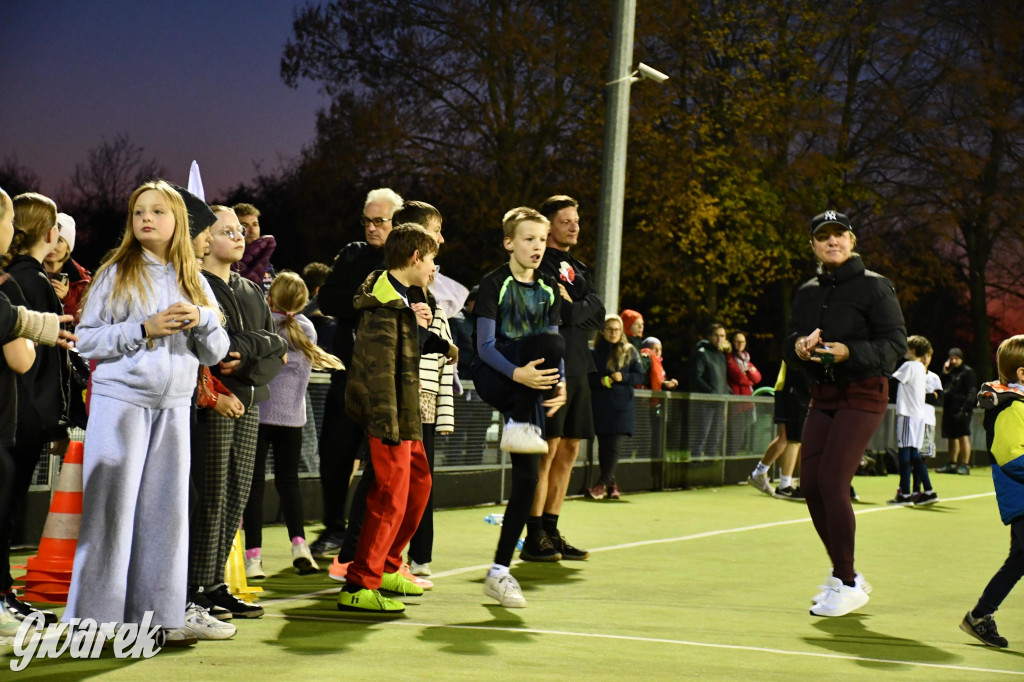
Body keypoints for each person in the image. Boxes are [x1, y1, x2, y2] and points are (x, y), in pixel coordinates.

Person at [63, 180, 229, 645]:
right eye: (139, 212)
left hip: (174, 410)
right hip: (121, 405)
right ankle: (92, 623)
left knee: (166, 517)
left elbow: (217, 353)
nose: (146, 219)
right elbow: (87, 340)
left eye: (157, 211)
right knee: (109, 514)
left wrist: (204, 320)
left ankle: (157, 616)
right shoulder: (117, 272)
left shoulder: (195, 279)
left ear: (178, 220)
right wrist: (143, 328)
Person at [784, 210, 906, 617]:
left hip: (864, 391)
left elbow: (895, 347)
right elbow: (790, 341)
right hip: (823, 394)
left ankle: (849, 580)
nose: (832, 242)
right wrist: (799, 347)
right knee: (810, 484)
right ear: (813, 245)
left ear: (852, 241)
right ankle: (842, 575)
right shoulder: (806, 292)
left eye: (839, 235)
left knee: (834, 481)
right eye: (823, 237)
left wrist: (851, 351)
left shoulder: (876, 287)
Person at [337, 224, 456, 613]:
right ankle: (360, 583)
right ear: (416, 257)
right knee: (388, 496)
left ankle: (387, 564)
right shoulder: (384, 303)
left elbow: (407, 347)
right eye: (433, 258)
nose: (435, 268)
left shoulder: (405, 298)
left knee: (418, 486)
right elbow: (377, 370)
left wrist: (437, 341)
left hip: (407, 415)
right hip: (390, 416)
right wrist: (386, 423)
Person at [189, 206, 287, 619]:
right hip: (215, 402)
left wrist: (246, 350)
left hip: (248, 399)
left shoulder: (250, 290)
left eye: (241, 230)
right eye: (228, 230)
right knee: (212, 493)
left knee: (238, 493)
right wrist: (254, 347)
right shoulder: (197, 286)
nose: (240, 236)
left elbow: (277, 348)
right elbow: (213, 352)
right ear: (206, 240)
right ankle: (195, 585)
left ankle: (214, 583)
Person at [471, 207, 565, 607]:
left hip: (527, 392)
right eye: (529, 239)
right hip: (497, 375)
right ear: (509, 242)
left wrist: (557, 386)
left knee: (528, 481)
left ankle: (499, 572)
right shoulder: (495, 284)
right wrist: (519, 376)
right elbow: (485, 347)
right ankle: (520, 421)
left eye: (542, 240)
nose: (537, 247)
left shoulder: (548, 288)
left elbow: (554, 345)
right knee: (547, 347)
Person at [0, 187, 77, 629]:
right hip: (19, 417)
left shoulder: (17, 279)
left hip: (17, 414)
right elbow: (31, 361)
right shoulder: (26, 283)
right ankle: (4, 595)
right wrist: (55, 419)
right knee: (5, 506)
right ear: (50, 233)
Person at [311, 188, 402, 559]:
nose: (371, 227)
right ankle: (334, 527)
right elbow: (329, 301)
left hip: (390, 380)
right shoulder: (351, 254)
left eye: (379, 220)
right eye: (367, 220)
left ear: (398, 223)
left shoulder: (408, 258)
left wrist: (360, 302)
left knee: (382, 464)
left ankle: (374, 536)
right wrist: (371, 301)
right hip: (347, 373)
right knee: (334, 452)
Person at [243, 272, 343, 579]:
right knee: (290, 485)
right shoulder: (307, 329)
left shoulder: (261, 325)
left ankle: (253, 558)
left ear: (270, 297)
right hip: (292, 418)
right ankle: (299, 545)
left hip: (259, 415)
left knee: (255, 486)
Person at [528, 194, 604, 563]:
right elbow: (551, 308)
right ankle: (534, 533)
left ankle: (553, 528)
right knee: (548, 450)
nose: (574, 226)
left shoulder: (581, 268)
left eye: (576, 220)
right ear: (549, 225)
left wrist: (573, 307)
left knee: (571, 448)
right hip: (551, 366)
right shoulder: (538, 264)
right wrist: (578, 308)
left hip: (580, 365)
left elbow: (599, 311)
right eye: (566, 221)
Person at [961, 336, 1024, 648]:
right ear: (1022, 374)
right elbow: (1012, 458)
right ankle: (981, 615)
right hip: (1021, 496)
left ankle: (980, 616)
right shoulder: (1012, 406)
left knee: (1020, 559)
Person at [587, 315, 644, 499]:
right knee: (604, 447)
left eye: (617, 329)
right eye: (610, 329)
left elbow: (640, 376)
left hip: (622, 407)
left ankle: (600, 484)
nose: (613, 333)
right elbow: (587, 378)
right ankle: (612, 485)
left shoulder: (629, 351)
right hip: (601, 405)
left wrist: (624, 378)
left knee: (614, 446)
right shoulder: (594, 353)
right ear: (602, 331)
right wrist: (601, 381)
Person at [887, 335, 939, 506]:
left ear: (913, 351)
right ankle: (929, 491)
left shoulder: (909, 365)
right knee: (915, 455)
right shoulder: (920, 368)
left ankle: (905, 494)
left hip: (907, 414)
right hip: (918, 416)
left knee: (904, 453)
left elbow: (891, 380)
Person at [748, 361, 808, 501]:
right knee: (791, 439)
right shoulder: (798, 340)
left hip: (795, 389)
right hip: (791, 389)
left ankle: (764, 475)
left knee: (791, 439)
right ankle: (782, 483)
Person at [42, 212, 92, 326]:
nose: (52, 245)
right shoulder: (29, 271)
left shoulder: (83, 281)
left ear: (68, 248)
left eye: (59, 240)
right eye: (48, 238)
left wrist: (67, 299)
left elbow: (86, 324)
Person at [689, 323, 730, 458]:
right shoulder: (702, 354)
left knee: (716, 436)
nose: (719, 339)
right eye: (716, 335)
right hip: (706, 402)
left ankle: (711, 464)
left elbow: (722, 379)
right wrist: (710, 392)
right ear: (709, 337)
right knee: (702, 434)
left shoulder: (721, 356)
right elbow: (695, 377)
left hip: (720, 401)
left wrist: (728, 393)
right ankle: (695, 463)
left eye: (722, 336)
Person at [939, 348, 977, 475]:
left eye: (956, 358)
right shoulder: (950, 372)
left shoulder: (968, 372)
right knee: (951, 436)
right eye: (951, 359)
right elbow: (941, 386)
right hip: (950, 407)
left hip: (962, 408)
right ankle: (952, 463)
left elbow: (971, 392)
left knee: (963, 435)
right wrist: (945, 373)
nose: (954, 361)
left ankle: (965, 465)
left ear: (961, 358)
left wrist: (965, 408)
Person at [233, 203, 276, 290]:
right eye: (245, 226)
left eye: (255, 224)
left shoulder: (266, 263)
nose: (252, 230)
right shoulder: (230, 264)